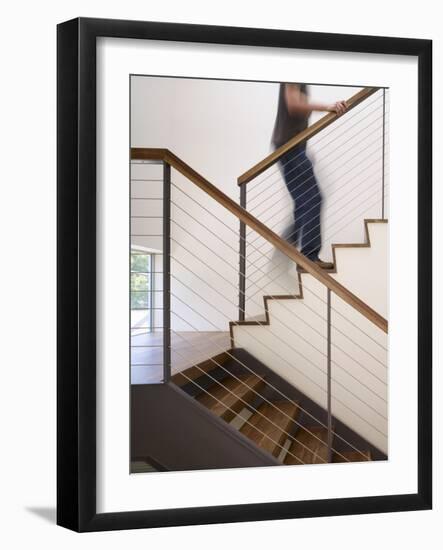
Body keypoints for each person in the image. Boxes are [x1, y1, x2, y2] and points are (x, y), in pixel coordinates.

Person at [272, 83, 347, 269]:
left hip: (292, 148)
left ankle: (280, 261)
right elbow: (293, 104)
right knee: (314, 199)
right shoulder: (293, 70)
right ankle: (308, 257)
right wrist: (327, 106)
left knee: (302, 205)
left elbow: (295, 104)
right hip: (290, 148)